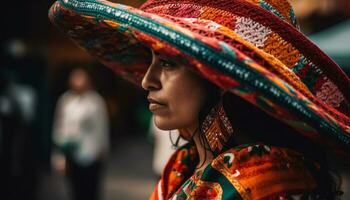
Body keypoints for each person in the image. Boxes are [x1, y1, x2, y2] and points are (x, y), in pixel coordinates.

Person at [49, 0, 350, 199]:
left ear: (217, 79)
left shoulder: (262, 180)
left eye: (167, 63)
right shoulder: (184, 165)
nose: (146, 80)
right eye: (151, 61)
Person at [52, 68, 109, 200]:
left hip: (92, 153)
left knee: (91, 190)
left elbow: (102, 127)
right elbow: (59, 128)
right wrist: (58, 156)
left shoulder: (95, 101)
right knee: (75, 190)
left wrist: (103, 150)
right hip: (72, 153)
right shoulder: (65, 100)